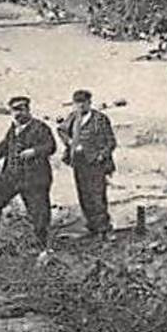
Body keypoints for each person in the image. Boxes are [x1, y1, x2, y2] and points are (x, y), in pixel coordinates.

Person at [0, 95, 56, 244]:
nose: (17, 114)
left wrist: (35, 151)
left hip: (34, 178)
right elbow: (5, 146)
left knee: (39, 213)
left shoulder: (40, 127)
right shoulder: (13, 129)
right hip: (12, 175)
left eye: (20, 110)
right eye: (14, 111)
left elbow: (51, 146)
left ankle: (43, 245)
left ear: (28, 110)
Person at [57, 88, 116, 239]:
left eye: (83, 103)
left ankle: (104, 228)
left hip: (96, 164)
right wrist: (69, 142)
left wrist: (101, 155)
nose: (80, 107)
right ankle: (92, 226)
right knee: (84, 194)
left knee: (97, 194)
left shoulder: (100, 119)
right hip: (79, 162)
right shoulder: (73, 117)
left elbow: (111, 142)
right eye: (77, 104)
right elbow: (61, 130)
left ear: (90, 103)